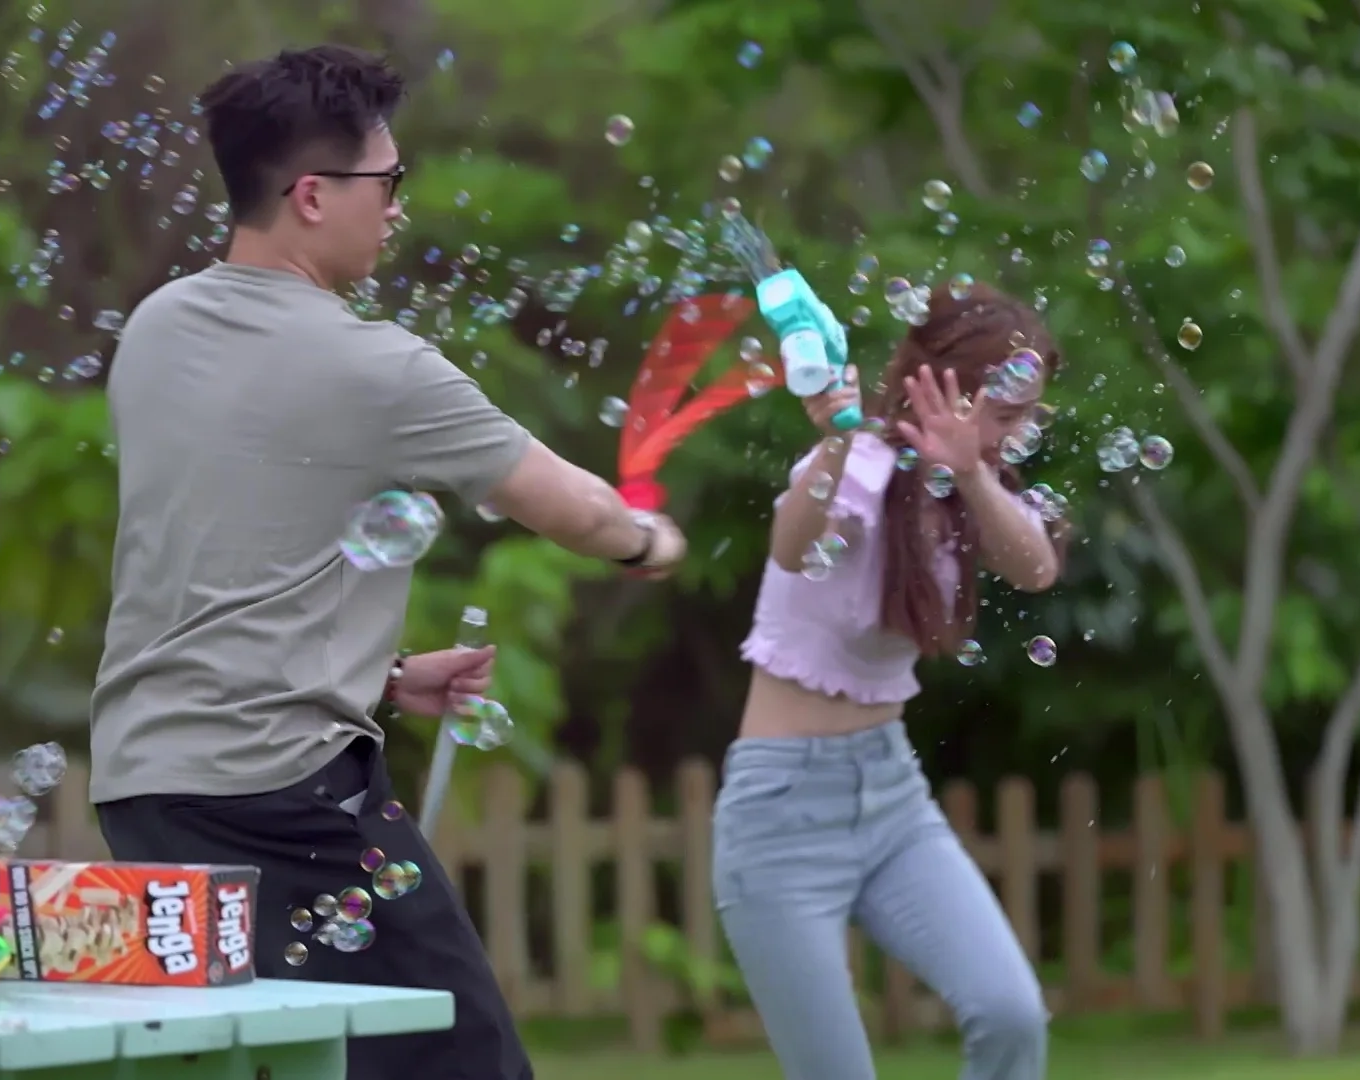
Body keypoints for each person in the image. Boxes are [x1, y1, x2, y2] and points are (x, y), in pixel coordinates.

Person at [87, 45, 686, 1080]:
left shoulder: (154, 330)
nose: (398, 207)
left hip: (143, 789)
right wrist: (649, 538)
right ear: (313, 195)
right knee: (470, 1062)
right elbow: (574, 510)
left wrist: (383, 674)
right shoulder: (378, 368)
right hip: (281, 796)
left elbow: (221, 568)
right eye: (388, 180)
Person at [714, 282, 1064, 1080]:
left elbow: (1036, 567)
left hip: (891, 798)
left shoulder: (973, 491)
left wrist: (972, 471)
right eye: (1008, 415)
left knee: (1011, 1014)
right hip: (782, 813)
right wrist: (834, 442)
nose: (1019, 434)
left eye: (1027, 416)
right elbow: (793, 549)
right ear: (943, 391)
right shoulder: (860, 469)